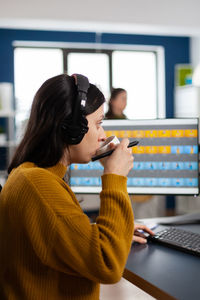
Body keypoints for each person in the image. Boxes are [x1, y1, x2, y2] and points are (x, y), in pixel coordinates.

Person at [0, 74, 153, 300]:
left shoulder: (29, 175)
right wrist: (114, 177)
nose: (103, 136)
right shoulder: (38, 186)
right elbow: (107, 264)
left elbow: (56, 231)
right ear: (72, 127)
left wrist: (111, 232)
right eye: (98, 124)